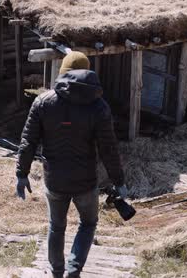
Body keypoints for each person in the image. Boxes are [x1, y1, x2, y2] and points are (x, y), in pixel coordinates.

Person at [15, 51, 128, 278]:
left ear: (62, 72)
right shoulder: (99, 106)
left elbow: (28, 141)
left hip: (54, 179)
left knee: (57, 227)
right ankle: (73, 271)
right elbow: (109, 149)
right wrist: (119, 182)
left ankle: (57, 272)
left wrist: (22, 173)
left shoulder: (43, 102)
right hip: (85, 181)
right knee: (88, 224)